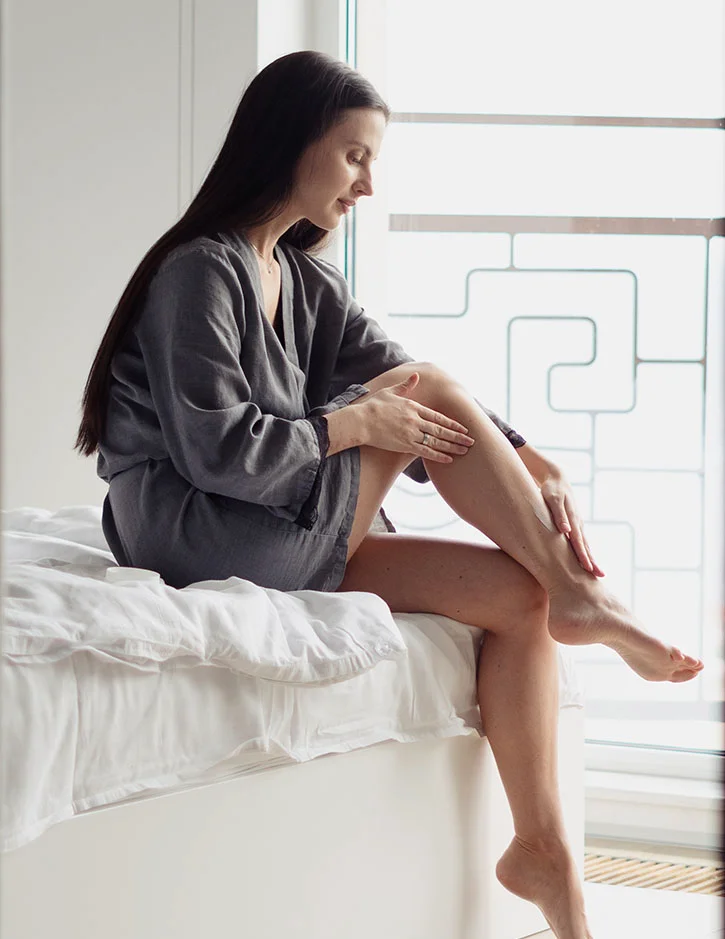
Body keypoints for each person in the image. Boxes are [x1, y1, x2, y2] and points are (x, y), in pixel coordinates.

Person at [76, 50, 704, 939]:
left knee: (515, 598)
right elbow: (220, 452)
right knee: (420, 394)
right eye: (353, 156)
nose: (366, 184)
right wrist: (357, 427)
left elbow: (390, 364)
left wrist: (528, 452)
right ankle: (586, 595)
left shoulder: (297, 277)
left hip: (272, 522)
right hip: (199, 531)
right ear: (289, 144)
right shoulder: (199, 272)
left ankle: (544, 853)